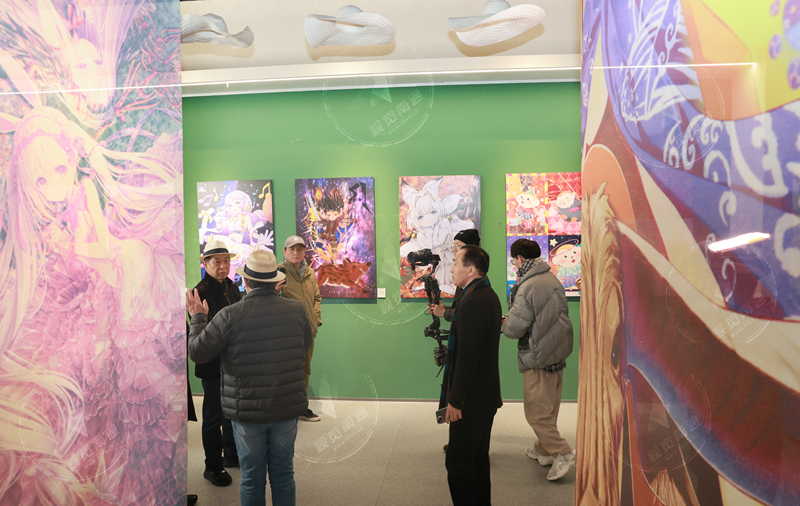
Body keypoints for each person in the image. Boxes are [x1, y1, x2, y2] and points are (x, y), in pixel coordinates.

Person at [187, 250, 312, 506]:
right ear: (275, 280)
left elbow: (198, 352)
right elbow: (305, 345)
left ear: (246, 281)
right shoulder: (297, 310)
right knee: (283, 474)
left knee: (252, 478)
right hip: (286, 405)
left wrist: (198, 318)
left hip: (247, 410)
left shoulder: (230, 315)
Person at [502, 239, 575, 481]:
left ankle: (562, 452)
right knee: (549, 408)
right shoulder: (551, 278)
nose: (513, 264)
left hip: (537, 355)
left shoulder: (527, 286)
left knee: (536, 412)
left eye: (513, 259)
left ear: (520, 259)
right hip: (556, 353)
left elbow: (515, 328)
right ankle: (543, 450)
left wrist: (504, 323)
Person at [441, 246, 503, 506]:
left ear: (471, 270)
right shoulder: (486, 294)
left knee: (458, 464)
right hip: (483, 396)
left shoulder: (474, 302)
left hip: (472, 401)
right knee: (477, 460)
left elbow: (468, 359)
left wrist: (455, 401)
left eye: (456, 263)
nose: (452, 268)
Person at [191, 240, 241, 486]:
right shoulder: (199, 292)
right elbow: (204, 332)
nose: (223, 266)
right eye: (217, 262)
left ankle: (231, 454)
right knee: (213, 418)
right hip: (212, 364)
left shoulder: (231, 287)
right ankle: (212, 465)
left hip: (232, 363)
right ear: (205, 264)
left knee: (231, 412)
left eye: (226, 261)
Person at [427, 228, 481, 453]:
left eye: (459, 246)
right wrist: (444, 311)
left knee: (464, 399)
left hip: (468, 358)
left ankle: (470, 448)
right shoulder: (470, 286)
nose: (453, 250)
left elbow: (464, 313)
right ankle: (461, 442)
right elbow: (461, 309)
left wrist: (444, 313)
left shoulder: (478, 292)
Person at [278, 235, 323, 422]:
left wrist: (316, 318)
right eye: (292, 249)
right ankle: (284, 409)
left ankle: (300, 407)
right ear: (285, 252)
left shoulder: (310, 273)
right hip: (287, 334)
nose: (296, 253)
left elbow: (317, 298)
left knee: (304, 371)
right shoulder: (278, 273)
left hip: (308, 331)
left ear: (305, 251)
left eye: (299, 249)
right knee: (286, 372)